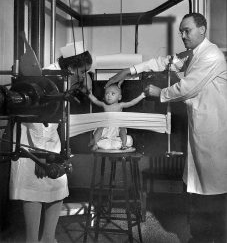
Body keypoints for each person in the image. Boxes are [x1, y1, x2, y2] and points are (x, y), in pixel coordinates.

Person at [106, 13, 227, 243]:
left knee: (213, 189)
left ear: (202, 29)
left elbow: (187, 88)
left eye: (187, 30)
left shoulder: (211, 55)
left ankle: (211, 237)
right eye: (181, 31)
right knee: (198, 187)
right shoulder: (194, 55)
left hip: (215, 132)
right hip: (201, 129)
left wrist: (158, 93)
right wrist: (128, 71)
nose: (182, 35)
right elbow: (165, 62)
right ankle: (199, 235)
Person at [9, 41, 92, 243]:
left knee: (57, 189)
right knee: (34, 191)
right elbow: (36, 122)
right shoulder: (46, 77)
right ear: (71, 66)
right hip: (33, 143)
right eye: (82, 71)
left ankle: (49, 238)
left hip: (51, 141)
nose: (83, 76)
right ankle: (32, 240)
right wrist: (41, 156)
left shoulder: (65, 77)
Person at [88, 83, 145, 151]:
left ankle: (123, 145)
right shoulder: (104, 105)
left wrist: (141, 96)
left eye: (112, 94)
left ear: (119, 97)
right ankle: (95, 143)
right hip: (106, 126)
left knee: (123, 129)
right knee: (99, 129)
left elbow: (131, 103)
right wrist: (89, 95)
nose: (109, 96)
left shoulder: (120, 105)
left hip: (117, 126)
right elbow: (95, 101)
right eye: (107, 94)